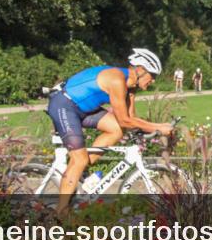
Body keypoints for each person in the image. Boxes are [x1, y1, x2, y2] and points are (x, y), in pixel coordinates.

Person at [46, 48, 173, 216]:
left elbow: (130, 120)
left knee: (117, 130)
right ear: (141, 70)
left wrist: (149, 128)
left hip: (83, 109)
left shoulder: (131, 88)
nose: (154, 80)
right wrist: (158, 127)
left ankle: (79, 170)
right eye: (153, 75)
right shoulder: (117, 80)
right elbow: (125, 120)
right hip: (64, 105)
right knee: (79, 159)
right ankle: (60, 213)